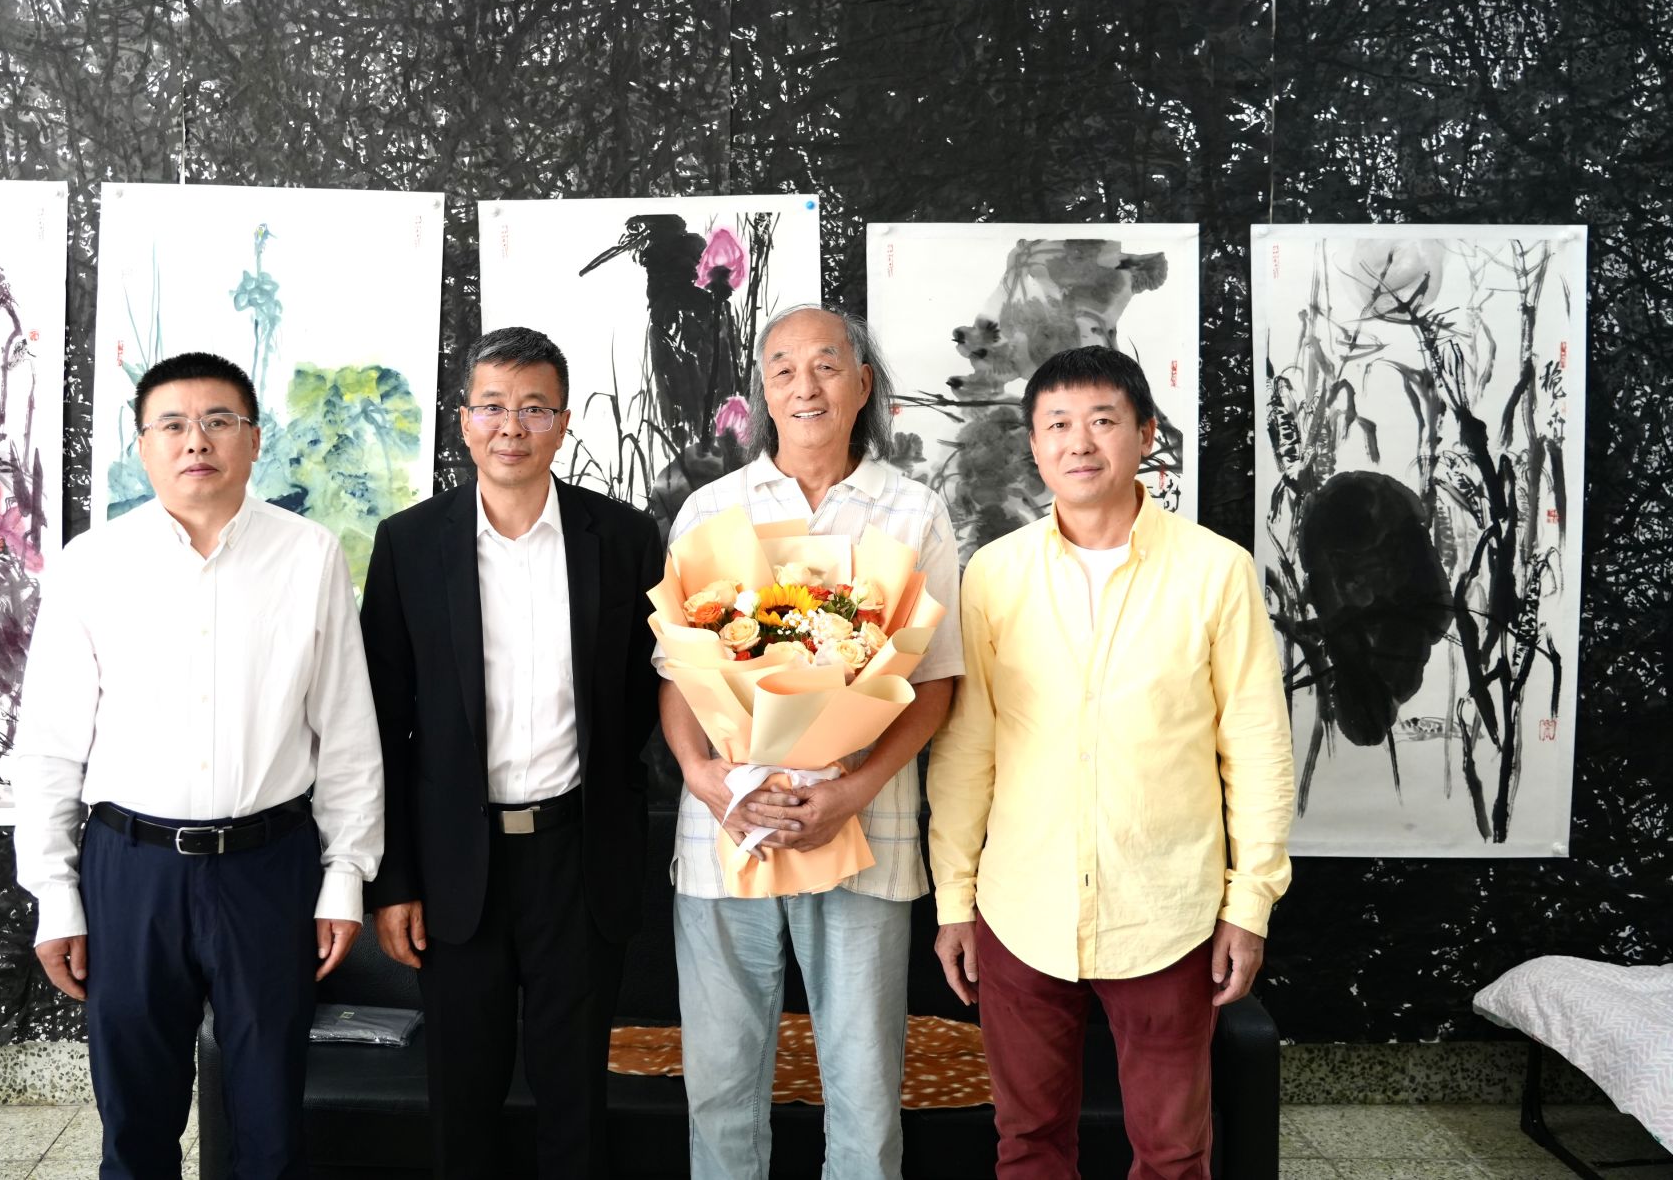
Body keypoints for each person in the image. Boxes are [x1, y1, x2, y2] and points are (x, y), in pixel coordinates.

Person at [12, 350, 384, 1180]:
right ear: (143, 445)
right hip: (130, 871)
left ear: (254, 440)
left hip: (269, 867)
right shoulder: (91, 564)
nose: (196, 441)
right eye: (172, 424)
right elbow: (49, 745)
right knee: (135, 1124)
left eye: (219, 421)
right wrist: (55, 892)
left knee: (271, 1124)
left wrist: (345, 875)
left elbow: (347, 732)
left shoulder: (310, 555)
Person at [926, 344, 1295, 1180]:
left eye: (1102, 420)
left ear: (1145, 434)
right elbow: (967, 745)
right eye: (1057, 423)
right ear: (1033, 444)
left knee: (1173, 1153)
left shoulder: (1216, 571)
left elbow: (1258, 748)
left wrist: (1249, 904)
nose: (1079, 441)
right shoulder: (995, 574)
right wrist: (955, 899)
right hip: (1020, 908)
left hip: (1166, 909)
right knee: (1028, 1143)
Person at [660, 304, 964, 1180]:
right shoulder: (711, 509)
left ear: (862, 385)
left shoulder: (914, 512)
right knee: (720, 1089)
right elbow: (676, 673)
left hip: (867, 832)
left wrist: (851, 790)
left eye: (827, 365)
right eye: (784, 367)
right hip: (726, 835)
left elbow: (936, 682)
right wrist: (704, 776)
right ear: (763, 389)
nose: (806, 385)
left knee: (865, 1092)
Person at [361, 326, 663, 1179]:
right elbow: (380, 722)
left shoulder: (624, 537)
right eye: (492, 406)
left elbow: (646, 690)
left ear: (563, 422)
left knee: (576, 1099)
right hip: (456, 863)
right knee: (462, 1100)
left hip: (579, 855)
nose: (512, 426)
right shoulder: (410, 543)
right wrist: (395, 879)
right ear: (463, 420)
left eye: (534, 407)